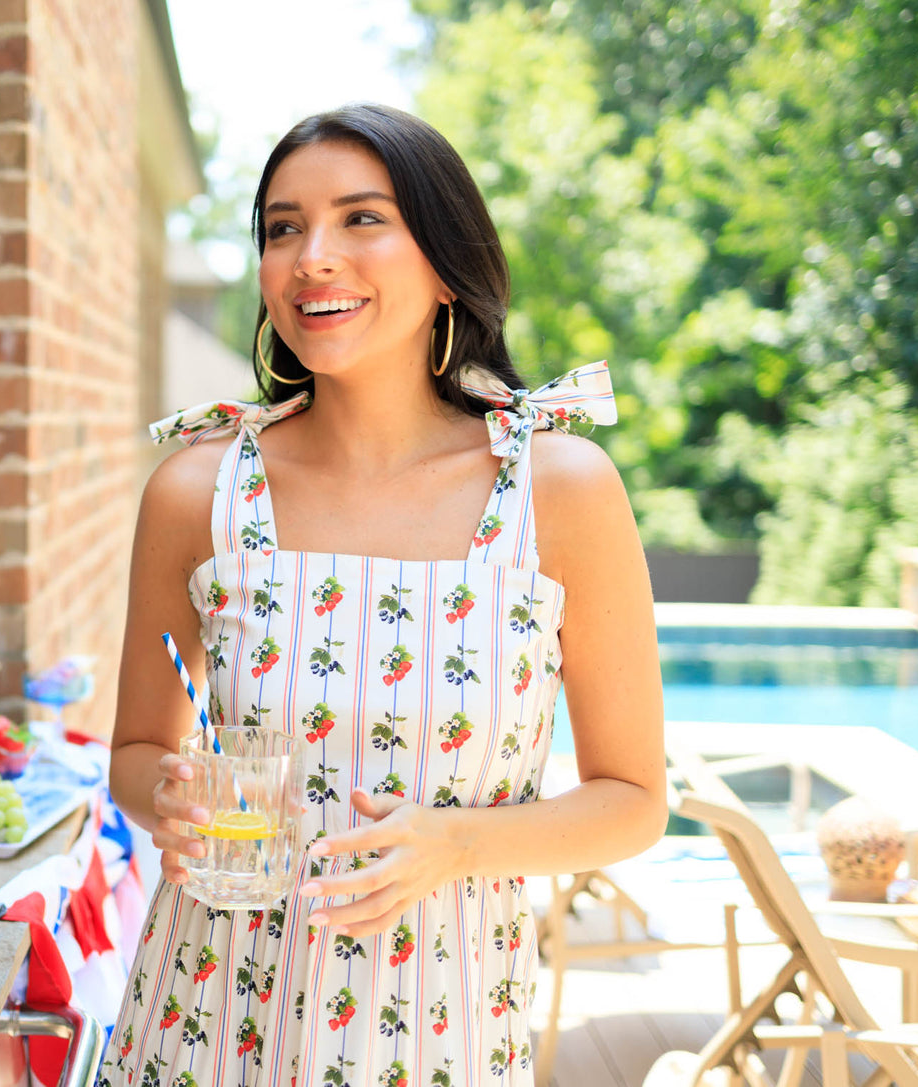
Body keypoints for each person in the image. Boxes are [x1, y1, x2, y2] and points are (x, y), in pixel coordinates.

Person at [99, 103, 665, 1087]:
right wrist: (172, 801)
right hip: (202, 1022)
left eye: (361, 218)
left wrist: (455, 843)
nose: (312, 256)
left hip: (437, 1033)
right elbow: (134, 754)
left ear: (445, 263)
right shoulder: (197, 490)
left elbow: (631, 802)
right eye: (283, 228)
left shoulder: (555, 488)